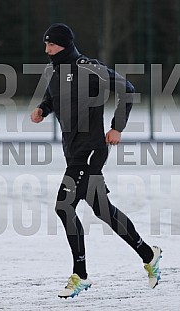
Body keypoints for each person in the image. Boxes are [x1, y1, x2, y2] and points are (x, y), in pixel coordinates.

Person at [30, 23, 162, 299]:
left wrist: (117, 127)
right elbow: (54, 97)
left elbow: (127, 89)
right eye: (46, 44)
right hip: (73, 150)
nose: (47, 50)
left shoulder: (89, 67)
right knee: (103, 210)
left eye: (51, 45)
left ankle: (81, 275)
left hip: (90, 149)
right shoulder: (53, 71)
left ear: (64, 44)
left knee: (63, 206)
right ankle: (149, 254)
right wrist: (43, 108)